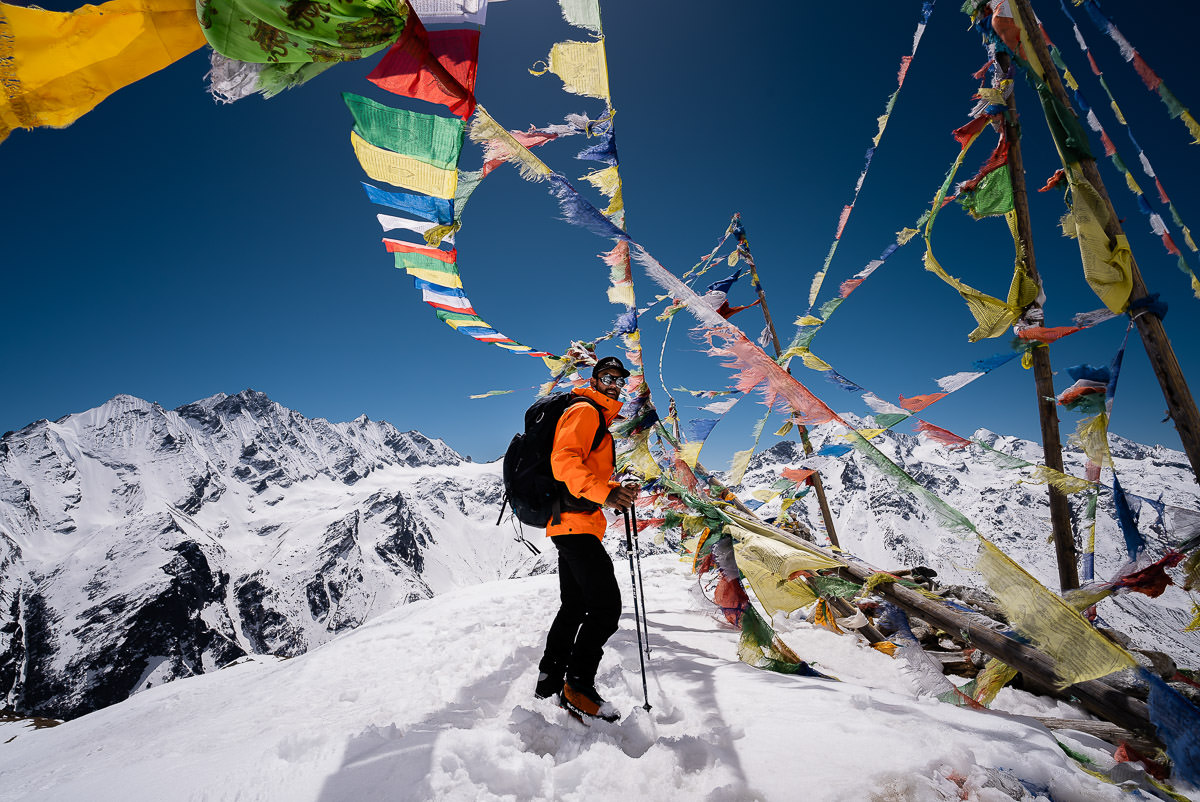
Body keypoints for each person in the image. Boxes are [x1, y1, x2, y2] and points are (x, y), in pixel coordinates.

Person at [535, 355, 638, 721]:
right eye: (607, 377)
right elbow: (564, 462)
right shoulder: (586, 411)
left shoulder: (597, 416)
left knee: (575, 606)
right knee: (606, 609)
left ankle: (549, 681)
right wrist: (605, 494)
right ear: (594, 379)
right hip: (575, 524)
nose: (614, 384)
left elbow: (583, 470)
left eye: (619, 380)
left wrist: (613, 490)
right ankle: (577, 686)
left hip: (571, 522)